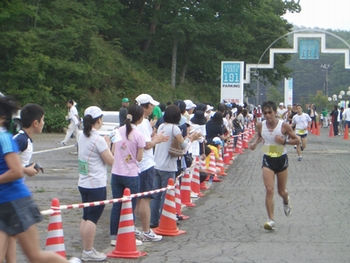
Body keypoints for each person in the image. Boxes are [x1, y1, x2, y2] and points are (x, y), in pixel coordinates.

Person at [0, 97, 81, 263]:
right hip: (3, 204)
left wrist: (27, 169)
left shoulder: (4, 138)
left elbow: (15, 170)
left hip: (15, 201)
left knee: (35, 256)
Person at [248, 100, 299, 230]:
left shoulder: (284, 126)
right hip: (268, 158)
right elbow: (260, 136)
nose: (268, 115)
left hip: (281, 158)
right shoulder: (260, 125)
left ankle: (286, 200)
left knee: (281, 191)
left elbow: (297, 140)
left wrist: (284, 140)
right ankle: (271, 220)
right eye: (265, 113)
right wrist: (255, 143)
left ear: (275, 113)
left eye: (270, 112)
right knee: (269, 189)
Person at [5, 104, 45, 263]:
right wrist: (25, 170)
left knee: (11, 234)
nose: (44, 124)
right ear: (35, 123)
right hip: (11, 191)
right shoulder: (21, 139)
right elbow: (6, 161)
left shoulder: (24, 138)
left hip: (12, 190)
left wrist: (29, 166)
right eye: (43, 120)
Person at [150, 105, 201, 228]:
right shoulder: (175, 129)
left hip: (156, 164)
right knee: (167, 195)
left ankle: (153, 221)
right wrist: (192, 138)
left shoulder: (161, 126)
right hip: (168, 166)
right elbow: (184, 146)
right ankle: (165, 219)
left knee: (156, 195)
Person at [78, 106, 114, 261]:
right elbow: (111, 161)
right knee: (93, 218)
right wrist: (108, 143)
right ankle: (88, 251)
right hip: (96, 183)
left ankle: (87, 248)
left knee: (86, 216)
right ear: (99, 119)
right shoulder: (98, 139)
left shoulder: (81, 135)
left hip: (83, 181)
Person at [110, 105, 145, 246]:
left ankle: (113, 237)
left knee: (116, 206)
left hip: (116, 173)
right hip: (131, 174)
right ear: (141, 118)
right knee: (130, 207)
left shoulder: (117, 131)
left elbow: (112, 151)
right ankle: (128, 236)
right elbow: (139, 158)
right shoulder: (139, 136)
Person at [135, 93, 169, 239]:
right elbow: (146, 145)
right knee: (145, 198)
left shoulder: (136, 122)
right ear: (145, 107)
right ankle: (146, 230)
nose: (153, 107)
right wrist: (158, 139)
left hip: (136, 165)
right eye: (151, 105)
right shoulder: (142, 123)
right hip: (145, 164)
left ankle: (133, 227)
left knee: (137, 198)